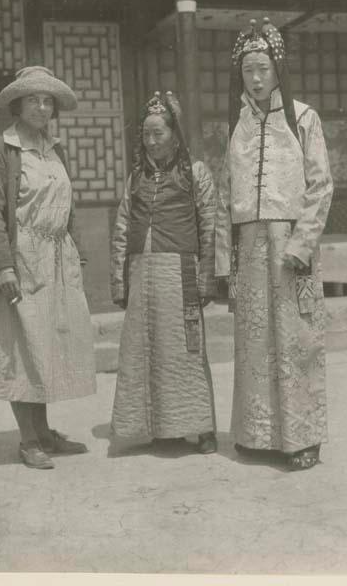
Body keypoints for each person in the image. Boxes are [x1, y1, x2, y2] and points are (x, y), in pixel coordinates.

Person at [215, 18, 334, 471]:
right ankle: (258, 434)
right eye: (249, 71)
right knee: (254, 344)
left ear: (278, 69)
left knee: (295, 342)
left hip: (290, 247)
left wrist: (301, 244)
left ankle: (300, 438)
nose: (257, 78)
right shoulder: (237, 125)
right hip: (249, 247)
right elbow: (226, 197)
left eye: (263, 68)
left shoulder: (303, 119)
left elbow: (321, 187)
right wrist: (226, 262)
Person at [0, 66, 97, 470]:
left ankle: (44, 432)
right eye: (34, 99)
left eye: (48, 101)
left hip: (56, 257)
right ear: (18, 103)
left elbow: (67, 204)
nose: (42, 107)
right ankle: (28, 440)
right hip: (21, 257)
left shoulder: (53, 147)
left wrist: (74, 251)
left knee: (46, 346)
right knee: (21, 347)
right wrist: (5, 267)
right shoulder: (2, 148)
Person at [110, 91, 217, 454]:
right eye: (146, 135)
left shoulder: (194, 173)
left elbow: (209, 225)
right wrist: (119, 279)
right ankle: (161, 426)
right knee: (148, 350)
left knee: (185, 349)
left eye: (159, 133)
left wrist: (206, 276)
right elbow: (123, 226)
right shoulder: (136, 177)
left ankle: (201, 427)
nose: (153, 141)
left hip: (180, 272)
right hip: (142, 273)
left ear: (174, 133)